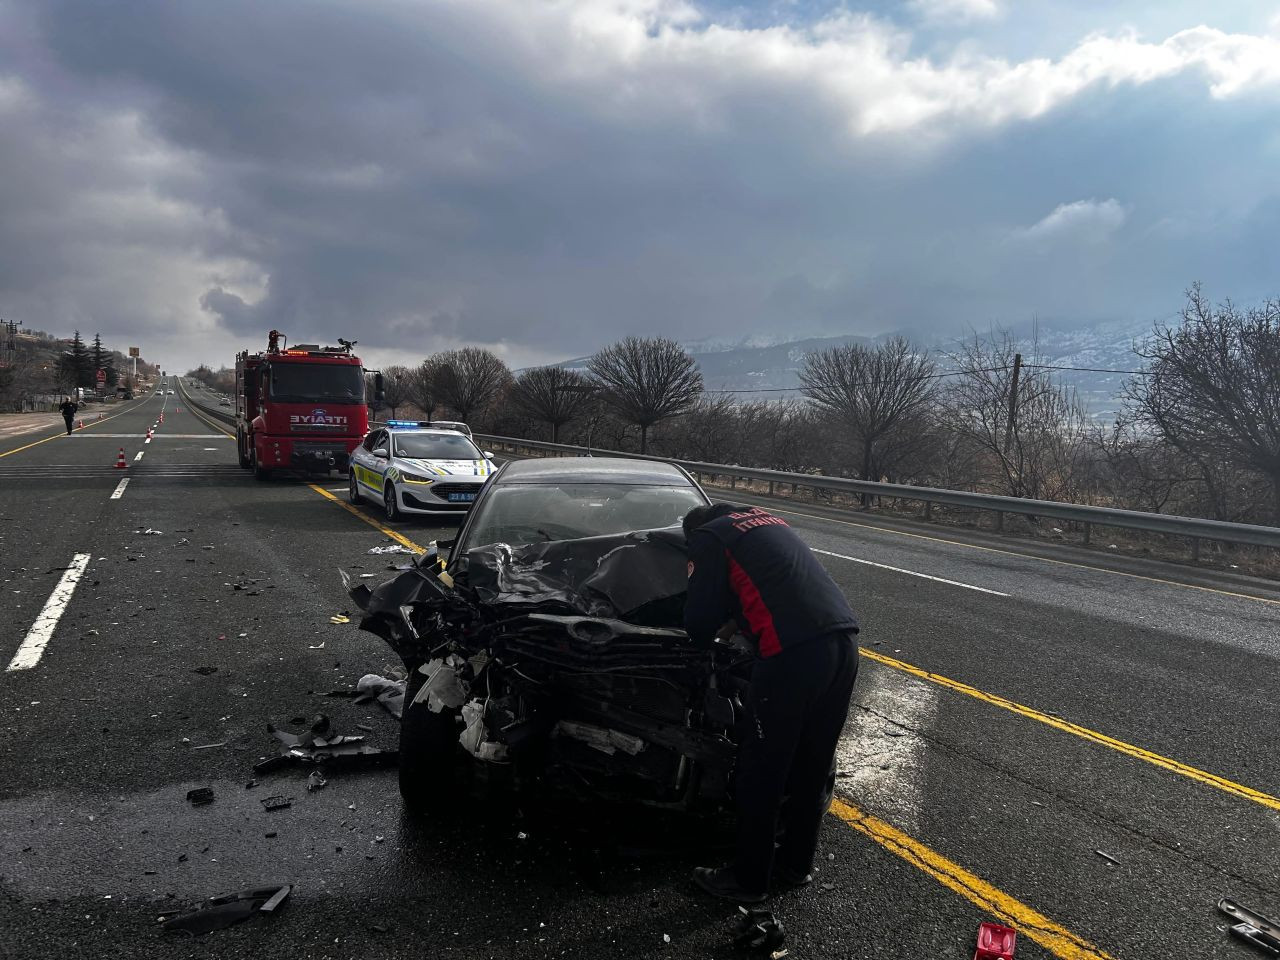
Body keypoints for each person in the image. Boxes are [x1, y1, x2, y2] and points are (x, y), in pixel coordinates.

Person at [683, 502, 860, 903]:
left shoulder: (708, 537)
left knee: (761, 770)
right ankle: (796, 866)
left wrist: (704, 636)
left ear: (693, 534)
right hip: (843, 644)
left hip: (791, 657)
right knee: (811, 763)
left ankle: (747, 880)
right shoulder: (765, 520)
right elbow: (771, 589)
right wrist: (734, 627)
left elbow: (698, 621)